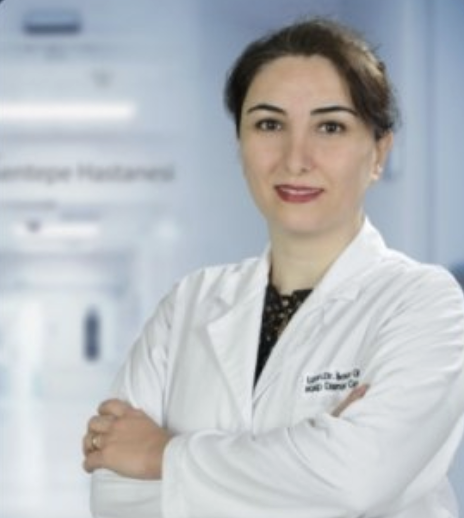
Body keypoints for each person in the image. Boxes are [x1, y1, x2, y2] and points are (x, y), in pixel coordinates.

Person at [82, 17, 464, 518]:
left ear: (379, 152)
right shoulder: (189, 304)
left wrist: (161, 455)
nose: (295, 158)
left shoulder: (426, 304)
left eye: (330, 126)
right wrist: (306, 468)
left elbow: (356, 479)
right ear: (239, 142)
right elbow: (115, 496)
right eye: (269, 124)